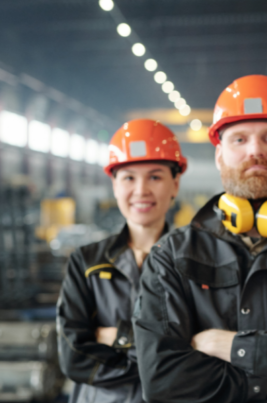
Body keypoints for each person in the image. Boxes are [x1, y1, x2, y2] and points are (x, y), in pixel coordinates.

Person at [132, 74, 267, 402]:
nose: (255, 151)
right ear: (219, 156)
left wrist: (226, 346)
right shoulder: (172, 256)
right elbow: (163, 380)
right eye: (239, 139)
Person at [57, 119, 187, 403]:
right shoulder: (86, 262)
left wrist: (118, 337)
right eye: (128, 177)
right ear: (114, 185)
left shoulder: (194, 263)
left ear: (174, 183)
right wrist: (160, 360)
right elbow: (74, 356)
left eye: (155, 177)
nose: (141, 190)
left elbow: (201, 354)